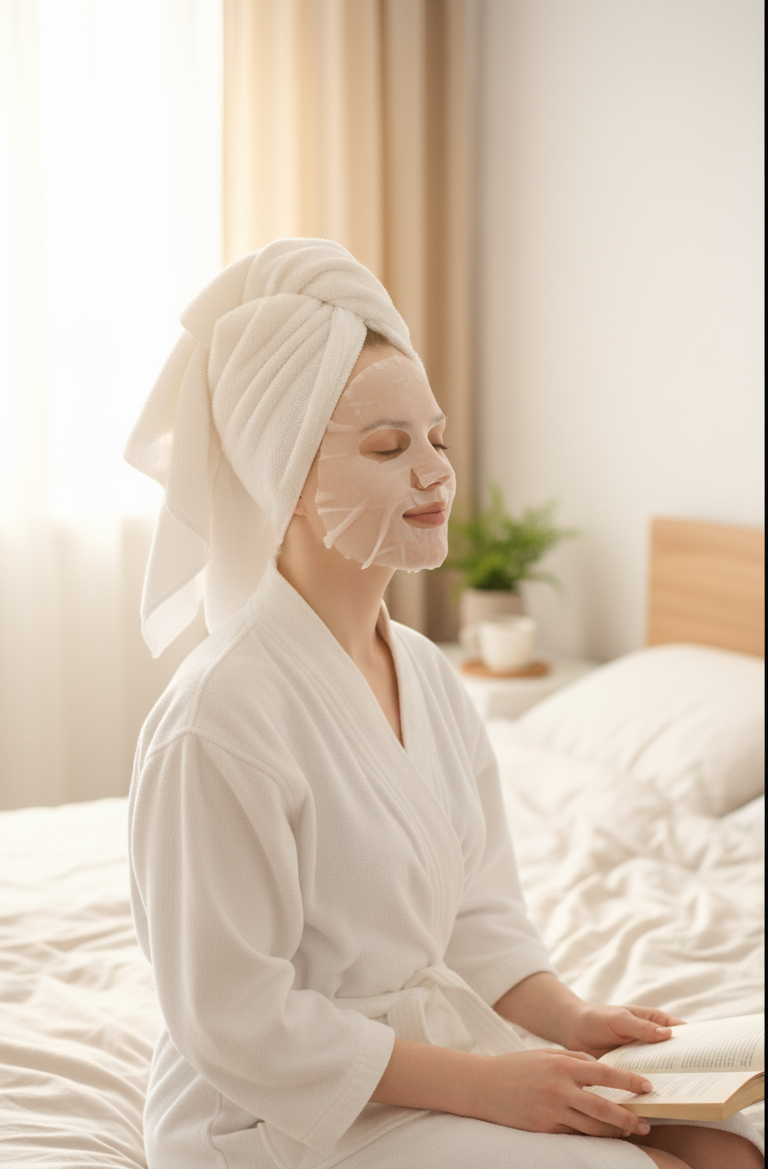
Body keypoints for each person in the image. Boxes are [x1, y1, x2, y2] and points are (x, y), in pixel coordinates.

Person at [126, 239, 763, 1169]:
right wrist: (490, 1086)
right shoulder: (217, 719)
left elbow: (477, 916)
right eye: (388, 447)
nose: (435, 474)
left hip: (426, 1060)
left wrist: (572, 1019)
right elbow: (235, 1020)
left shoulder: (426, 673)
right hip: (272, 1113)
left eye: (437, 438)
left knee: (729, 1147)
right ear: (285, 482)